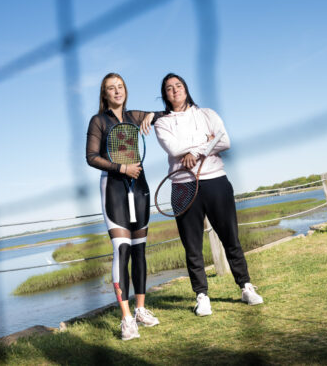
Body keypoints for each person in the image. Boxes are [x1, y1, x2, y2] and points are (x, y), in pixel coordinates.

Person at [154, 73, 263, 317]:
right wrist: (206, 142)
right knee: (192, 246)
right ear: (165, 95)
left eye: (178, 86)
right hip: (183, 186)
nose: (174, 91)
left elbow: (225, 140)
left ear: (186, 88)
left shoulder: (208, 114)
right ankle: (202, 296)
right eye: (169, 88)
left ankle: (245, 286)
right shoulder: (162, 122)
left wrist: (197, 150)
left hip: (215, 181)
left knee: (230, 238)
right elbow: (173, 148)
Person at [86, 72, 161, 340]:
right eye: (110, 88)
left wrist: (152, 115)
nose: (117, 91)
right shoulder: (98, 121)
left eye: (120, 87)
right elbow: (91, 157)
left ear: (125, 90)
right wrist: (122, 167)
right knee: (123, 249)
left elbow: (163, 114)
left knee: (140, 250)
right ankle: (127, 318)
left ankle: (141, 309)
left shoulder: (134, 117)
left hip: (139, 186)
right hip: (114, 188)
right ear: (104, 94)